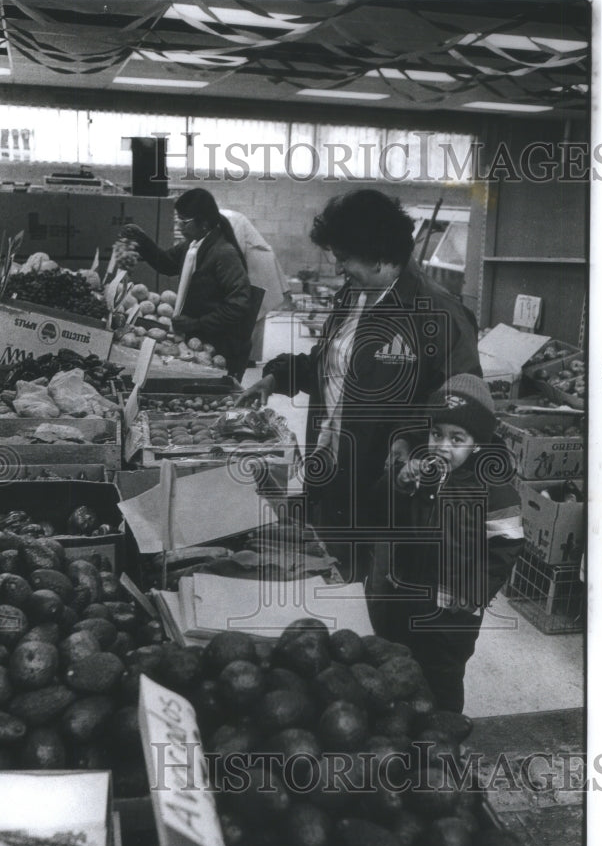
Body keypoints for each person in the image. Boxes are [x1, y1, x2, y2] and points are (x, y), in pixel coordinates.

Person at [236, 189, 482, 579]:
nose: (337, 268)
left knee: (372, 589)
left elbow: (464, 404)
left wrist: (411, 439)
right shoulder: (354, 296)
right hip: (331, 468)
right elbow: (330, 362)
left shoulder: (439, 313)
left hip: (385, 482)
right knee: (327, 570)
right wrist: (276, 376)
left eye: (345, 257)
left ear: (381, 254)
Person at [366, 374, 524, 712]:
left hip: (454, 614)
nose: (442, 445)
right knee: (397, 668)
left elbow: (506, 545)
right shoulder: (420, 470)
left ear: (477, 443)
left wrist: (472, 593)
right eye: (436, 433)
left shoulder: (494, 489)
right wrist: (399, 483)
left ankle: (444, 742)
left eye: (457, 438)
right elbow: (380, 513)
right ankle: (401, 738)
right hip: (405, 597)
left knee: (442, 677)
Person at [119, 188, 255, 379]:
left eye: (184, 222)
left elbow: (239, 304)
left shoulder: (224, 253)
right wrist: (141, 239)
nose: (179, 227)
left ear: (205, 223)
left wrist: (197, 324)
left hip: (216, 346)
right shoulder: (192, 246)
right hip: (194, 338)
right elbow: (166, 263)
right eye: (178, 220)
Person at [220, 208, 292, 366]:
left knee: (254, 308)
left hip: (257, 265)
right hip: (252, 261)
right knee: (251, 309)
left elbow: (235, 248)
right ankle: (247, 355)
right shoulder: (222, 216)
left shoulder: (229, 218)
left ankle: (248, 356)